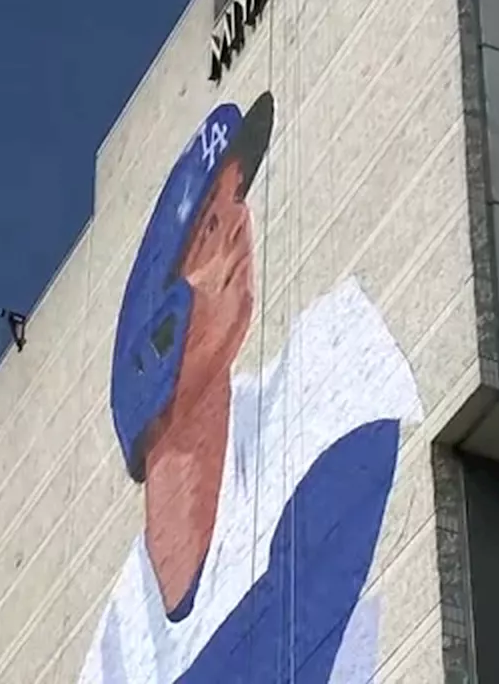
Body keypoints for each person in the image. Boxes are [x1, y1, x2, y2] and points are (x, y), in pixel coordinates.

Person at [79, 91, 423, 684]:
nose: (241, 225)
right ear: (154, 346)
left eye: (238, 200)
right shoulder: (115, 641)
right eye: (210, 226)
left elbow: (305, 617)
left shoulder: (328, 358)